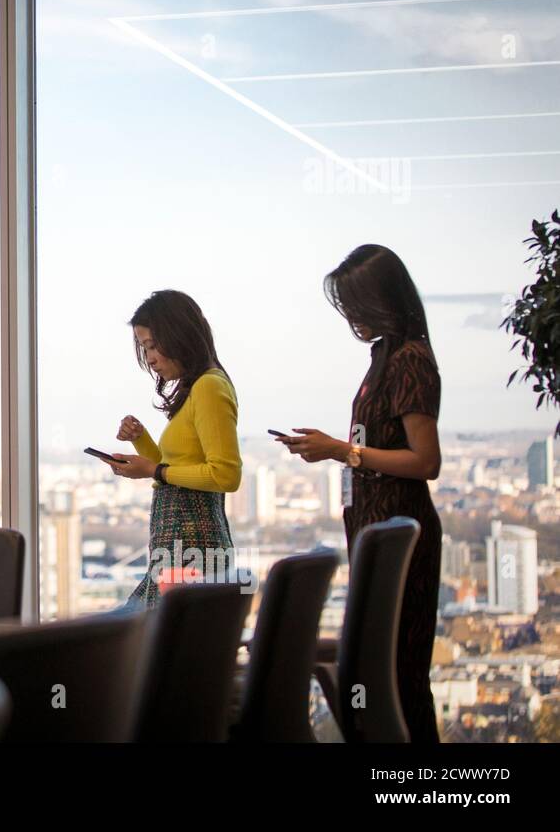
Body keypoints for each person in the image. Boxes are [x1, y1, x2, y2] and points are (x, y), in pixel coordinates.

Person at [279, 244, 443, 743]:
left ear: (380, 300)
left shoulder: (410, 359)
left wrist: (340, 451)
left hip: (401, 535)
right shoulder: (385, 357)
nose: (350, 316)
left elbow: (425, 461)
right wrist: (332, 448)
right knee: (386, 674)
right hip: (377, 529)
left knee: (400, 678)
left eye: (354, 304)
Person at [106, 289, 241, 609]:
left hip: (192, 543)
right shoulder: (198, 388)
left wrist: (153, 470)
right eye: (144, 348)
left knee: (147, 637)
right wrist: (141, 442)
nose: (150, 358)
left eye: (153, 346)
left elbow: (225, 474)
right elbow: (176, 468)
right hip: (180, 542)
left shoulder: (209, 386)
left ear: (180, 336)